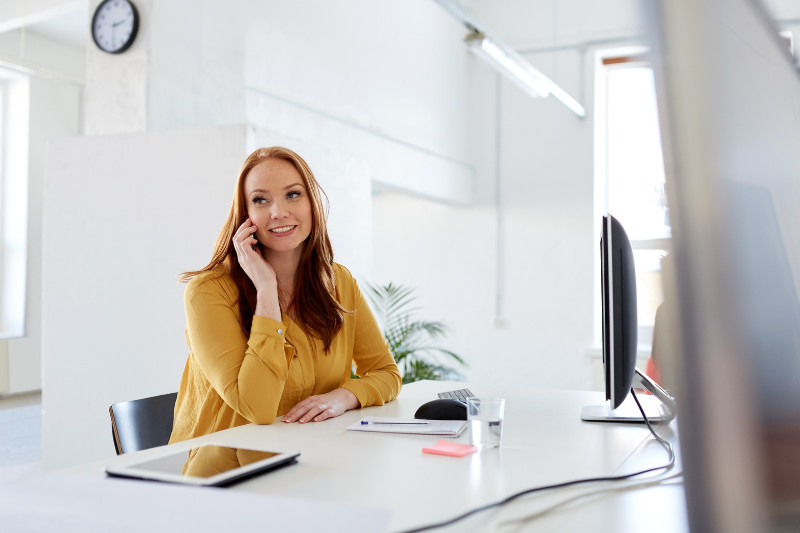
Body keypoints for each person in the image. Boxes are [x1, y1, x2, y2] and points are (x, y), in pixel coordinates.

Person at [169, 146, 402, 444]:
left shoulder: (338, 281)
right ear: (246, 214)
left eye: (293, 194)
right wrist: (266, 289)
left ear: (312, 203)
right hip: (224, 468)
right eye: (260, 200)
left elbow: (386, 372)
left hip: (310, 456)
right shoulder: (207, 291)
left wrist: (344, 396)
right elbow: (258, 408)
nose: (278, 212)